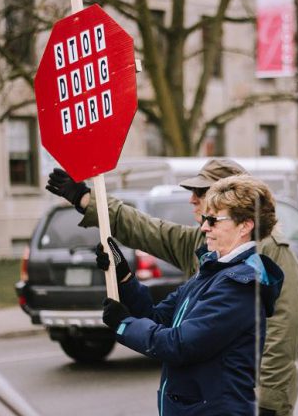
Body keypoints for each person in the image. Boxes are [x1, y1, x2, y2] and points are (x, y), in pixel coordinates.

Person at [46, 159, 298, 416]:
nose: (193, 201)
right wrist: (124, 278)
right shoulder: (209, 257)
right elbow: (147, 233)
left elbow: (283, 331)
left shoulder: (248, 273)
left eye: (202, 194)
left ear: (241, 214)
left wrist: (270, 402)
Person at [98, 175, 284, 415]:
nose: (204, 226)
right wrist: (123, 277)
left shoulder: (239, 286)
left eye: (213, 220)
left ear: (245, 226)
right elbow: (158, 318)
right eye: (205, 218)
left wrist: (124, 325)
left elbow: (179, 345)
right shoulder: (213, 271)